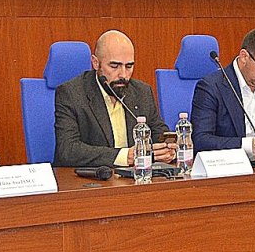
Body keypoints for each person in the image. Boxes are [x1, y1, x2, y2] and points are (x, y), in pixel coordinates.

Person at [54, 30, 174, 167]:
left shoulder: (142, 92)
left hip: (137, 175)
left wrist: (166, 149)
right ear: (95, 63)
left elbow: (158, 132)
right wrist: (123, 156)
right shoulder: (72, 94)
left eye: (129, 66)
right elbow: (68, 150)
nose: (123, 74)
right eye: (114, 66)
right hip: (94, 176)